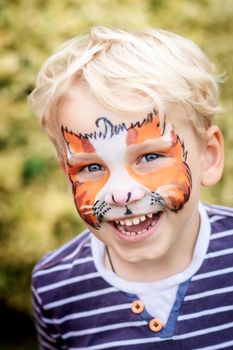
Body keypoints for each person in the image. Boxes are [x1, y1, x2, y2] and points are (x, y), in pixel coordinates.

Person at [28, 26, 233, 350]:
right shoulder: (56, 288)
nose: (121, 194)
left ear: (208, 157)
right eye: (91, 167)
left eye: (149, 156)